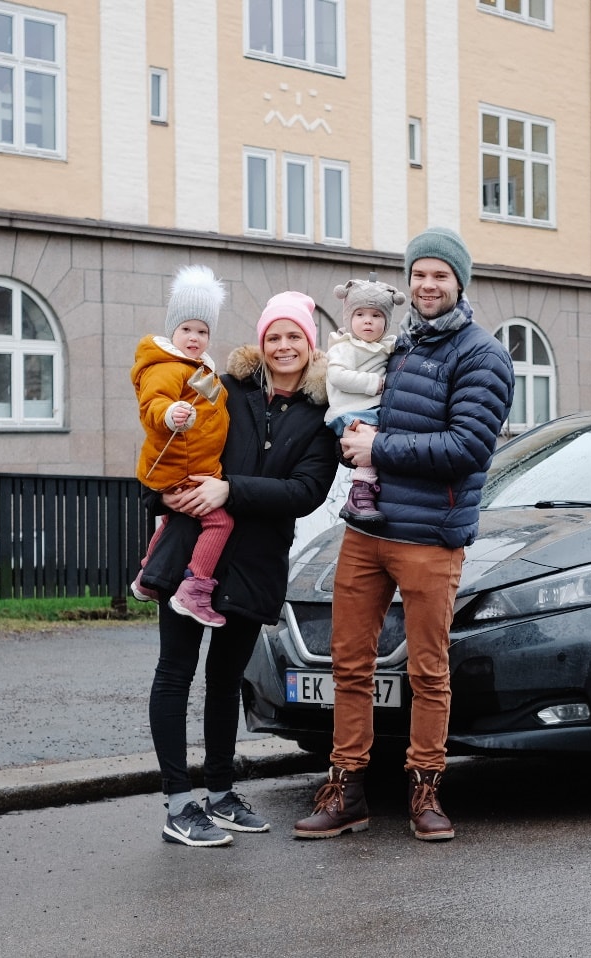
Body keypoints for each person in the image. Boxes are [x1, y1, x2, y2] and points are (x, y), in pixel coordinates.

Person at [294, 227, 514, 842]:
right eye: (419, 274)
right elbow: (360, 417)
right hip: (367, 529)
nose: (427, 284)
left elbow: (469, 448)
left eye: (440, 275)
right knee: (350, 665)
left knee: (427, 671)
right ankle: (347, 789)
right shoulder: (398, 346)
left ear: (460, 283)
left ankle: (426, 790)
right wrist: (352, 444)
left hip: (430, 535)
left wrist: (378, 447)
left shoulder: (481, 355)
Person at [142, 289, 338, 847]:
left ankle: (221, 793)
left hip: (254, 561)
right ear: (260, 343)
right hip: (192, 551)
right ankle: (179, 802)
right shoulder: (226, 391)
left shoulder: (320, 416)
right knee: (175, 671)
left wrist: (229, 489)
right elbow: (170, 438)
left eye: (293, 336)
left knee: (226, 681)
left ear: (309, 344)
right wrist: (163, 498)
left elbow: (305, 491)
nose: (282, 346)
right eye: (273, 336)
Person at [129, 264, 233, 628]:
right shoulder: (168, 366)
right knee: (219, 521)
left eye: (202, 331)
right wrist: (171, 412)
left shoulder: (201, 368)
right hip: (182, 466)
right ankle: (196, 587)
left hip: (194, 464)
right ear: (172, 329)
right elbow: (152, 403)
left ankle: (146, 576)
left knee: (175, 516)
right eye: (186, 328)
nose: (194, 337)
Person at [324, 278, 404, 523]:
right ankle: (360, 493)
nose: (368, 320)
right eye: (360, 314)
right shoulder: (345, 347)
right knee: (369, 441)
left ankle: (372, 490)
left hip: (371, 410)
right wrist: (373, 384)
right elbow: (337, 375)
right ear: (349, 319)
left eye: (376, 315)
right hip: (350, 412)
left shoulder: (386, 347)